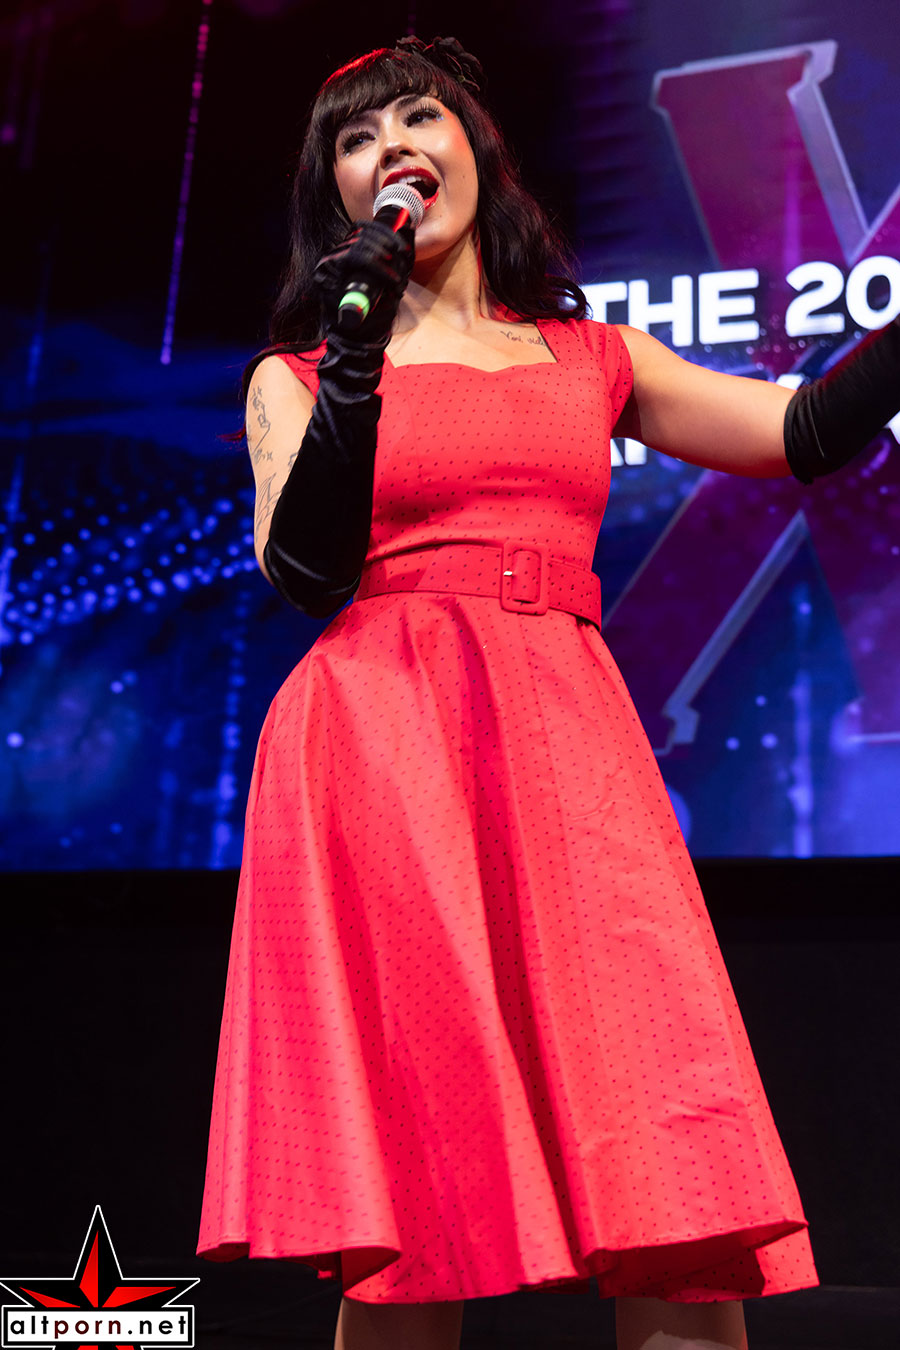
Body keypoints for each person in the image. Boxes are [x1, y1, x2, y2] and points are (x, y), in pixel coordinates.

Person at [197, 35, 900, 1350]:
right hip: (383, 746)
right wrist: (355, 351)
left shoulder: (594, 356)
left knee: (668, 1140)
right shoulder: (294, 378)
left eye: (419, 118)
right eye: (356, 137)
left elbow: (801, 431)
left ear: (476, 149)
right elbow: (305, 568)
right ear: (336, 191)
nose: (393, 147)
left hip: (569, 742)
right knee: (416, 1176)